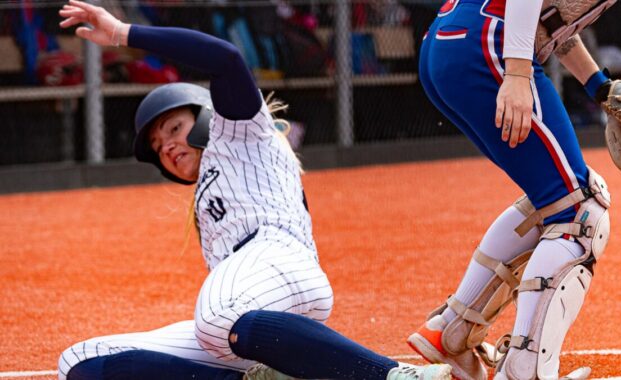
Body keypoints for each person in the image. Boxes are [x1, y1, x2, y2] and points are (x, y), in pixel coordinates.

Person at [56, 2, 453, 380]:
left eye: (174, 129)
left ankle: (392, 374)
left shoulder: (239, 133)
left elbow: (225, 58)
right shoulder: (205, 193)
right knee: (79, 360)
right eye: (160, 147)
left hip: (277, 261)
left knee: (214, 317)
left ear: (205, 115)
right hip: (249, 310)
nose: (169, 146)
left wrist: (125, 33)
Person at [405, 0, 613, 379]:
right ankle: (526, 371)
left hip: (456, 40)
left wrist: (602, 89)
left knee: (554, 200)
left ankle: (451, 330)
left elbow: (550, 20)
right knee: (580, 213)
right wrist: (517, 73)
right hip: (489, 44)